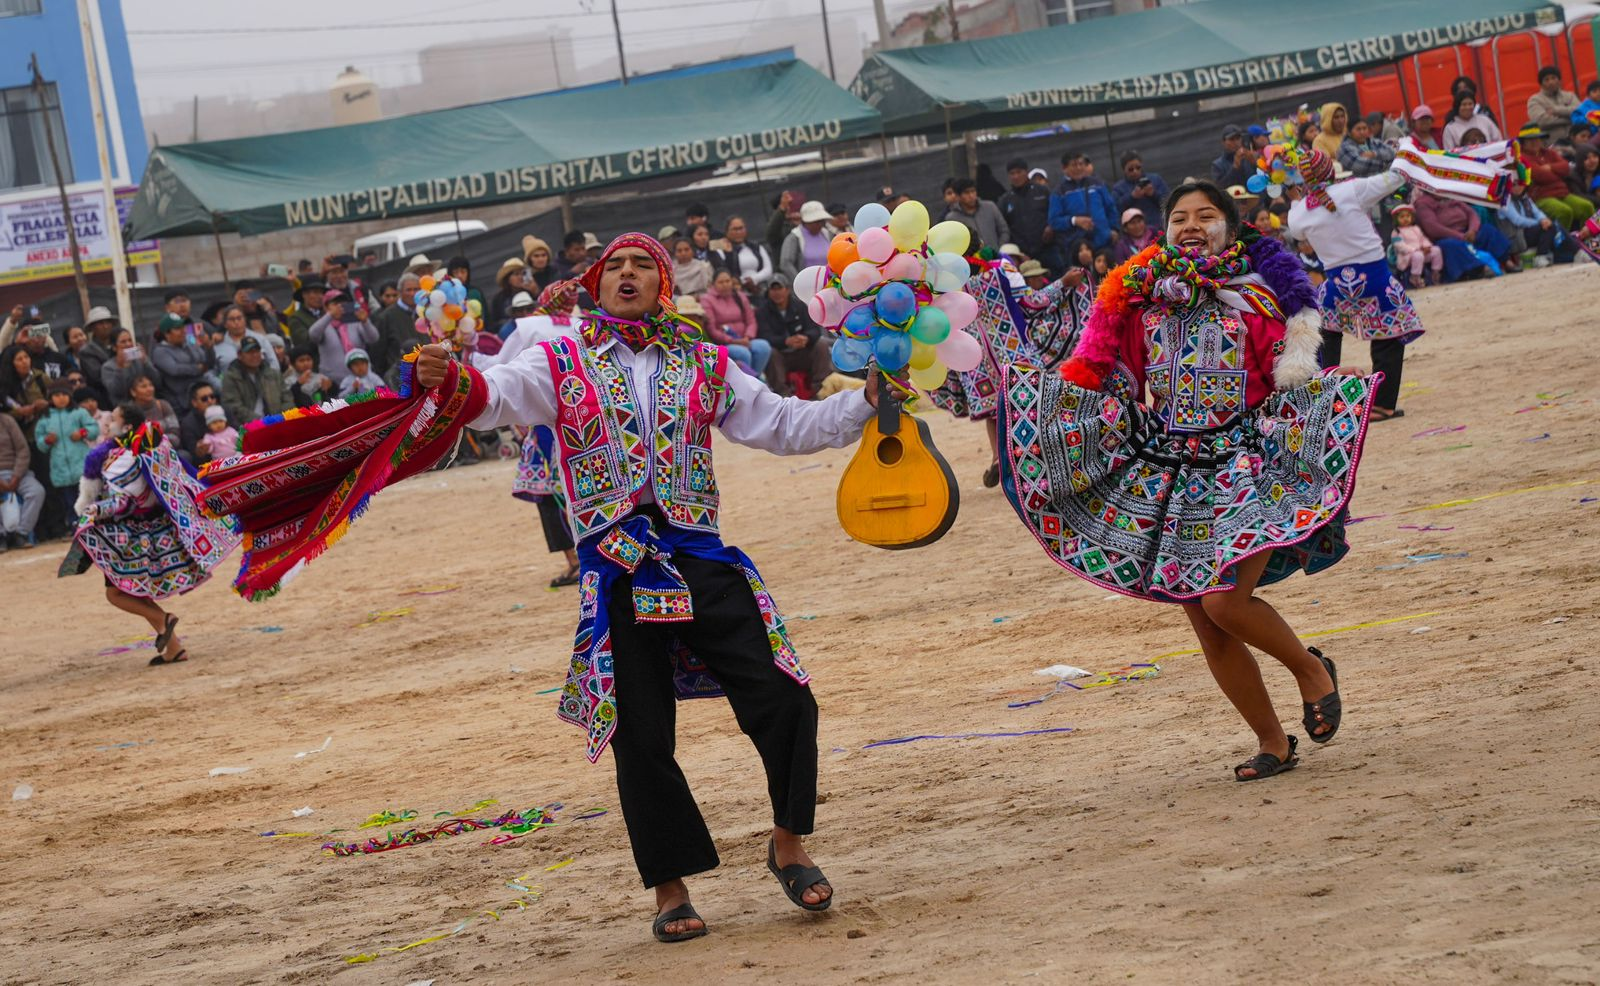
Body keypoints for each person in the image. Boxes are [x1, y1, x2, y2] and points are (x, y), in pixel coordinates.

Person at [210, 232, 881, 943]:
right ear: (595, 284)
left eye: (642, 265)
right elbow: (496, 395)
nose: (627, 274)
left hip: (697, 551)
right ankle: (671, 888)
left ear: (663, 285)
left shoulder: (704, 361)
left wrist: (865, 402)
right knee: (638, 730)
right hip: (617, 562)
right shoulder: (559, 358)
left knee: (786, 695)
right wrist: (451, 378)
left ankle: (788, 843)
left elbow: (783, 423)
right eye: (614, 266)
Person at [999, 180, 1369, 783]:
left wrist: (1329, 386)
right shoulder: (1141, 304)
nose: (1191, 225)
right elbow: (1109, 377)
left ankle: (1310, 670)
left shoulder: (1254, 301)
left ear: (1231, 227)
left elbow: (1292, 378)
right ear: (1163, 231)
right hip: (1174, 471)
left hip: (1248, 464)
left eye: (1205, 215)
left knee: (1225, 602)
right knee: (1206, 620)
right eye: (1179, 218)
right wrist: (1050, 401)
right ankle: (1272, 742)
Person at [60, 409, 239, 665]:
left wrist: (96, 510)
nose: (108, 423)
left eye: (114, 420)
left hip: (131, 535)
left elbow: (123, 501)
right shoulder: (151, 447)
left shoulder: (123, 459)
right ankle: (174, 648)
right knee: (136, 590)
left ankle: (164, 619)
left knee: (116, 594)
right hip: (156, 528)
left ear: (127, 427)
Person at [930, 252, 1094, 488]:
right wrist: (1063, 283)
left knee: (993, 411)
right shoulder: (1000, 272)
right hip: (1012, 352)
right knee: (1027, 406)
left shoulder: (944, 286)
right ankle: (1034, 459)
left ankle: (998, 458)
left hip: (974, 360)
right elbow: (1033, 302)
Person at [1285, 150, 1421, 421]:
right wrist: (1406, 149)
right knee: (1388, 338)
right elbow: (1397, 178)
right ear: (1331, 171)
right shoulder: (1353, 189)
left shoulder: (1299, 213)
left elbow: (1297, 231)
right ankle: (1382, 405)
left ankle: (1322, 401)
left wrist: (1296, 199)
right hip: (1375, 280)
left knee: (1325, 336)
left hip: (1337, 286)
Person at [34, 379, 97, 528]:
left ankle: (93, 524)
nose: (61, 398)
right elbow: (40, 442)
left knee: (88, 498)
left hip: (81, 465)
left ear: (70, 396)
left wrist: (82, 433)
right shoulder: (45, 418)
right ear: (50, 398)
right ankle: (76, 527)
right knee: (70, 503)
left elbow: (94, 429)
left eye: (64, 394)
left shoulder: (78, 413)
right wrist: (47, 440)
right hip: (61, 469)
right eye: (57, 395)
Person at [757, 273, 830, 399]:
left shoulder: (800, 306)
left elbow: (815, 330)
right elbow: (764, 336)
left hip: (802, 352)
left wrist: (806, 338)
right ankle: (782, 394)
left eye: (779, 288)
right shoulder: (763, 311)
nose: (776, 293)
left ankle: (820, 389)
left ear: (787, 290)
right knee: (770, 352)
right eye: (773, 289)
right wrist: (785, 341)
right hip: (781, 356)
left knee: (821, 344)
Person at [1520, 124, 1595, 231]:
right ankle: (1561, 240)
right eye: (1530, 140)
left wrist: (1550, 167)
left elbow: (1566, 168)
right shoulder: (1522, 158)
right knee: (1564, 212)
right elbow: (1540, 176)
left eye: (1537, 139)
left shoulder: (1549, 153)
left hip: (1562, 193)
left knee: (1587, 207)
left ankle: (1587, 237)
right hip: (1541, 197)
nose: (1535, 142)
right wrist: (1557, 172)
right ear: (1523, 143)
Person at [1048, 152, 1117, 268]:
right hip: (1077, 248)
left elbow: (1111, 208)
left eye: (1081, 164)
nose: (1079, 168)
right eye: (1074, 165)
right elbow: (1054, 221)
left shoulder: (1097, 184)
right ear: (1064, 168)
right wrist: (1075, 221)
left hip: (1103, 242)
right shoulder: (1059, 191)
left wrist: (1114, 229)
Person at [1413, 188, 1498, 281]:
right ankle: (1479, 270)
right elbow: (1432, 228)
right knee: (1451, 244)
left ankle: (1505, 261)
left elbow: (1472, 213)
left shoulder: (1452, 197)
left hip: (1467, 233)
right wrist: (1460, 236)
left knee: (1487, 230)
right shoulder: (1423, 203)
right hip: (1444, 238)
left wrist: (1473, 230)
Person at [699, 270, 770, 378]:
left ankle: (754, 379)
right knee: (743, 353)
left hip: (744, 339)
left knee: (763, 347)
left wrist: (747, 337)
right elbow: (712, 329)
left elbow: (751, 320)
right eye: (721, 282)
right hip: (724, 343)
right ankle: (745, 382)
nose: (725, 285)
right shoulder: (707, 300)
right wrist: (733, 341)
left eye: (727, 281)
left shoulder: (740, 296)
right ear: (713, 284)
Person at [309, 290, 379, 387]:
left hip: (360, 379)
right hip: (332, 382)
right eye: (335, 304)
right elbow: (313, 335)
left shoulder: (355, 322)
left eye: (343, 303)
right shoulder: (324, 325)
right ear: (326, 307)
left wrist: (365, 322)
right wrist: (330, 315)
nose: (340, 306)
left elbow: (373, 338)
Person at [0, 410, 45, 550]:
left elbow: (23, 450)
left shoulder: (7, 421)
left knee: (37, 491)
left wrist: (17, 475)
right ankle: (1, 536)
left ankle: (21, 533)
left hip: (16, 472)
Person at [220, 337, 291, 425]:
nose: (254, 355)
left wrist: (282, 418)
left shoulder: (273, 374)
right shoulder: (231, 378)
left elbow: (287, 398)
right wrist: (262, 422)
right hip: (249, 427)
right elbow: (233, 406)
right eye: (249, 352)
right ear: (239, 355)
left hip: (280, 423)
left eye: (257, 351)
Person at [150, 315, 218, 408]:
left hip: (204, 388)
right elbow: (175, 370)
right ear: (167, 334)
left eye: (183, 327)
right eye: (178, 329)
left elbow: (209, 364)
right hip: (183, 399)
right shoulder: (160, 351)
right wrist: (197, 368)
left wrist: (208, 347)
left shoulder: (190, 344)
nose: (183, 331)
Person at [998, 157, 1054, 266]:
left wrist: (1051, 227)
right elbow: (1004, 228)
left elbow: (1054, 212)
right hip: (1023, 255)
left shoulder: (1042, 191)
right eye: (1012, 173)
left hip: (1048, 249)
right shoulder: (1005, 200)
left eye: (1019, 172)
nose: (1016, 176)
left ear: (1026, 172)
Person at [1500, 180, 1563, 266]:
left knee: (1554, 225)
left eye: (1520, 184)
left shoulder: (1525, 198)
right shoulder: (1504, 201)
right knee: (1549, 227)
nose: (1517, 187)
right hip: (1515, 238)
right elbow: (1518, 220)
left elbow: (1537, 212)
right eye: (1513, 185)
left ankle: (1574, 251)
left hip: (1527, 232)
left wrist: (1544, 220)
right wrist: (1540, 223)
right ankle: (1540, 257)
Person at [371, 272, 424, 375]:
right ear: (400, 292)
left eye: (416, 289)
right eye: (408, 290)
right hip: (400, 376)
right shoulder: (386, 317)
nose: (412, 293)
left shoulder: (426, 313)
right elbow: (378, 352)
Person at [944, 178, 1010, 249]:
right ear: (958, 196)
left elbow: (1004, 230)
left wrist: (999, 248)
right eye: (966, 193)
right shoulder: (952, 218)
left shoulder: (990, 207)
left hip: (996, 253)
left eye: (973, 191)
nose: (971, 196)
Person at [4, 343, 51, 440]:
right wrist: (19, 412)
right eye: (19, 359)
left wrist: (47, 404)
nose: (24, 361)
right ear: (11, 363)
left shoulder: (40, 378)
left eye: (26, 357)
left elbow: (60, 399)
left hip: (47, 432)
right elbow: (4, 415)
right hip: (21, 436)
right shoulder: (5, 385)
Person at [1110, 151, 1170, 227]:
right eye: (1130, 169)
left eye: (1138, 167)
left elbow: (1169, 202)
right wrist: (1132, 197)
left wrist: (1153, 194)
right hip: (1134, 230)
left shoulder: (1156, 179)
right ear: (1124, 170)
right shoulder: (1118, 188)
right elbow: (1115, 209)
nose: (1135, 171)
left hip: (1158, 226)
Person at [714, 216, 773, 292]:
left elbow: (768, 269)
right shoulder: (720, 248)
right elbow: (722, 271)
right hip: (735, 290)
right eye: (735, 229)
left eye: (741, 228)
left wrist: (754, 279)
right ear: (726, 231)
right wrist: (742, 282)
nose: (738, 232)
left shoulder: (756, 247)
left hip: (760, 287)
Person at [1390, 204, 1444, 286]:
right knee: (1418, 255)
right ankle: (1415, 277)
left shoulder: (1416, 228)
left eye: (1408, 216)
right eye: (1402, 217)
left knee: (1436, 250)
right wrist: (1415, 250)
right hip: (1407, 257)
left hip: (1421, 253)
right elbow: (1400, 246)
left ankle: (1435, 273)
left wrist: (1426, 246)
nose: (1405, 219)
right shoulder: (1396, 232)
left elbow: (1423, 239)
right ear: (1396, 219)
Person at [779, 200, 833, 282]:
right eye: (816, 221)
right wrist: (801, 282)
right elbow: (785, 264)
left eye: (821, 221)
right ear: (805, 222)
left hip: (831, 283)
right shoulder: (793, 238)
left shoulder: (828, 234)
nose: (820, 224)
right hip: (808, 286)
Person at [177, 380, 226, 464]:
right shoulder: (188, 424)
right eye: (204, 399)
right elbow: (194, 455)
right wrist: (200, 451)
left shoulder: (224, 411)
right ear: (194, 403)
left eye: (212, 396)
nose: (210, 401)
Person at [1527, 66, 1580, 141]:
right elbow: (1541, 121)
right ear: (1541, 84)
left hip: (1574, 142)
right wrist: (1570, 118)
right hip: (1552, 144)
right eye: (1546, 79)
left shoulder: (1570, 96)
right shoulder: (1535, 100)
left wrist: (1556, 110)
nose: (1551, 82)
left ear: (1559, 80)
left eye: (1553, 78)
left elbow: (1580, 112)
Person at [286, 280, 326, 357]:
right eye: (316, 292)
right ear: (304, 294)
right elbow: (303, 343)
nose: (320, 296)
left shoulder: (327, 313)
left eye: (322, 293)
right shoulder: (296, 318)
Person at [491, 258, 531, 325]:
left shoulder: (530, 293)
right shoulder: (498, 299)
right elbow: (494, 323)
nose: (520, 277)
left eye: (523, 274)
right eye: (516, 274)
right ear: (507, 278)